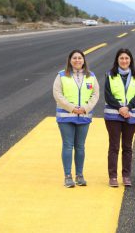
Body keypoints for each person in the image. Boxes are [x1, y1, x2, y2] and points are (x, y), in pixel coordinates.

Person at [53, 49, 99, 188]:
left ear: (84, 60)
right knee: (68, 145)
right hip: (66, 116)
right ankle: (68, 176)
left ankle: (79, 175)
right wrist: (71, 108)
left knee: (80, 147)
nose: (77, 60)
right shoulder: (61, 75)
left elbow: (95, 95)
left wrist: (86, 108)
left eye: (80, 58)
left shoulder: (91, 76)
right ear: (70, 60)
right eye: (74, 58)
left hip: (84, 116)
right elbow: (57, 94)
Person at [104, 48, 135, 187]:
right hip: (113, 116)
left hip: (131, 115)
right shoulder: (110, 75)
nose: (124, 61)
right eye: (121, 58)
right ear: (117, 60)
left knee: (127, 147)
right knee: (114, 146)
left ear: (130, 60)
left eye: (127, 58)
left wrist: (128, 108)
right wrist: (120, 108)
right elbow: (108, 95)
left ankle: (126, 176)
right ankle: (113, 177)